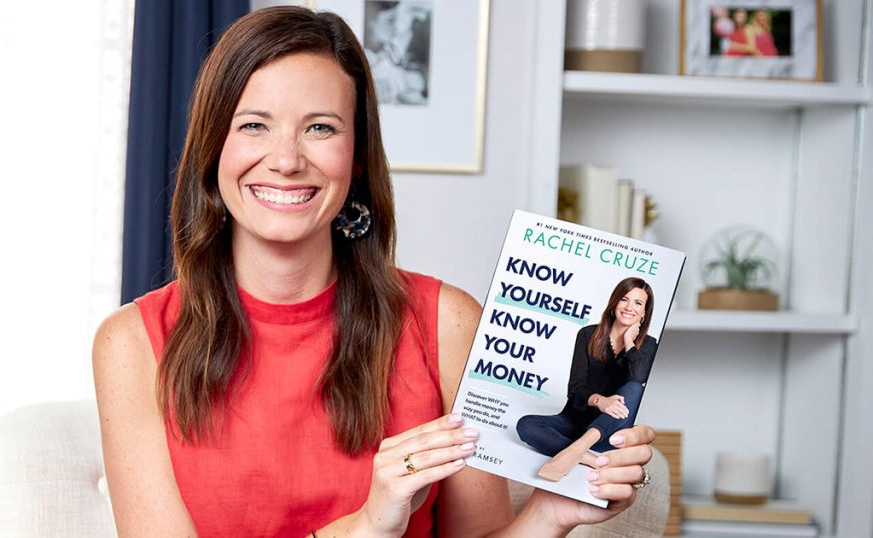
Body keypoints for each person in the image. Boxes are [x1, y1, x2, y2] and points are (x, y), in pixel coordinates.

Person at [92, 6, 654, 537]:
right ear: (213, 146)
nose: (286, 160)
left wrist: (549, 516)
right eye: (254, 125)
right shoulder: (132, 343)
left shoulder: (448, 324)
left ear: (357, 156)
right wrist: (367, 526)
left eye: (320, 128)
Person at [516, 277, 658, 482]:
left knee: (636, 387)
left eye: (638, 303)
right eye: (624, 299)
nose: (629, 307)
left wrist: (629, 341)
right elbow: (575, 388)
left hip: (607, 432)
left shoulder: (649, 345)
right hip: (574, 422)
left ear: (644, 312)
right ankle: (587, 456)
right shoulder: (588, 334)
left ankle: (578, 447)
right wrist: (601, 401)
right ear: (614, 302)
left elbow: (638, 378)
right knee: (526, 424)